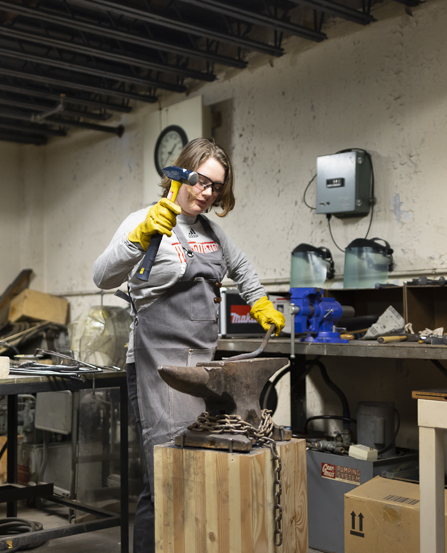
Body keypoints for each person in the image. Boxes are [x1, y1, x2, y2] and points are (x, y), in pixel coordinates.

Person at [92, 138, 285, 553]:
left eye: (215, 187)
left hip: (202, 368)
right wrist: (137, 239)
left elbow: (243, 268)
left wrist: (260, 301)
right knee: (165, 475)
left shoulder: (212, 233)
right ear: (181, 173)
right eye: (200, 181)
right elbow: (102, 277)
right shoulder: (145, 220)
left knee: (196, 469)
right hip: (156, 365)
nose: (206, 193)